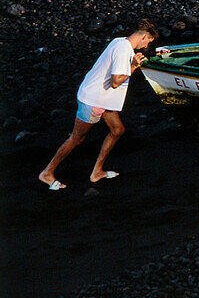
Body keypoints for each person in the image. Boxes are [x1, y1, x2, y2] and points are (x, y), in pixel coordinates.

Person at [38, 20, 160, 190]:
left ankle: (97, 171)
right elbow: (117, 81)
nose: (146, 45)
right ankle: (47, 172)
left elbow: (117, 76)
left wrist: (132, 65)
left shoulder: (119, 41)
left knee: (117, 130)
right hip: (93, 100)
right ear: (145, 36)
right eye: (148, 41)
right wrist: (133, 65)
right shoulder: (123, 50)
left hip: (104, 98)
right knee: (76, 138)